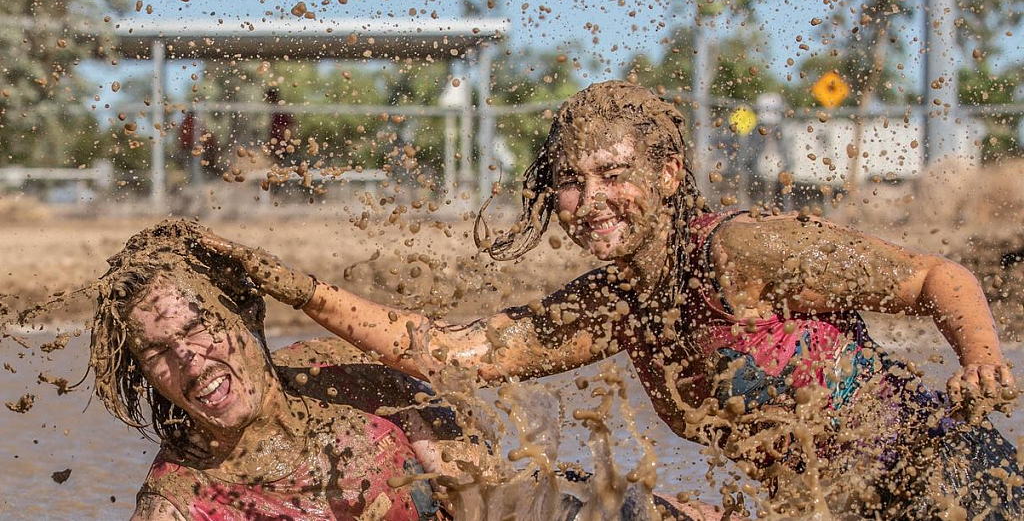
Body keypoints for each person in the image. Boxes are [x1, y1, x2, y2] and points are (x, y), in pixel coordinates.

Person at [200, 81, 1023, 519]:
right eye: (570, 180)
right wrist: (289, 284)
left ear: (667, 176)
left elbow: (934, 279)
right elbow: (446, 352)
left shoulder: (742, 248)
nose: (590, 199)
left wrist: (982, 359)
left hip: (945, 479)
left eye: (613, 173)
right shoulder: (613, 307)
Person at [91, 220, 718, 521]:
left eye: (199, 328)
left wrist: (464, 478)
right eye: (158, 352)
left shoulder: (346, 378)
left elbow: (494, 489)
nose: (190, 360)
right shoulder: (178, 503)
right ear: (146, 375)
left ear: (247, 317)